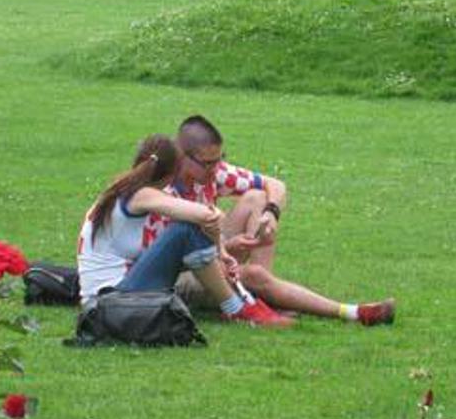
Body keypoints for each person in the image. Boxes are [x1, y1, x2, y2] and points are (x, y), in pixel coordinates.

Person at [141, 116, 395, 326]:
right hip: (170, 278)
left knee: (257, 198)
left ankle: (260, 296)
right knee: (253, 274)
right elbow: (162, 261)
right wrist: (226, 248)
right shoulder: (162, 193)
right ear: (183, 156)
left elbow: (275, 185)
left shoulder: (213, 172)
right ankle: (353, 313)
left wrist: (271, 213)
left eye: (219, 159)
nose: (215, 169)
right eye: (208, 163)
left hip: (207, 253)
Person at [77, 134, 291, 327]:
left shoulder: (124, 188)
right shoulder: (142, 194)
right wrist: (222, 248)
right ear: (172, 172)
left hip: (106, 302)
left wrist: (221, 250)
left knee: (189, 227)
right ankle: (236, 308)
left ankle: (244, 303)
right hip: (112, 303)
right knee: (186, 229)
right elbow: (210, 215)